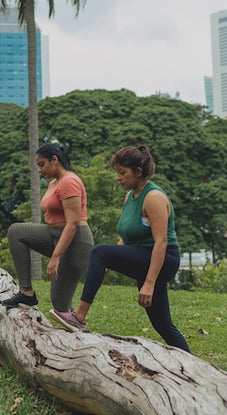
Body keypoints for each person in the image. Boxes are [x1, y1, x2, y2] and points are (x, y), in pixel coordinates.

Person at [49, 145, 191, 352]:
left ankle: (78, 317)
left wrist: (149, 283)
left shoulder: (154, 198)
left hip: (164, 260)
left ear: (138, 172)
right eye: (117, 173)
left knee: (98, 251)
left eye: (123, 173)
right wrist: (108, 262)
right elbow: (127, 238)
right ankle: (190, 363)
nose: (118, 178)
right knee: (162, 324)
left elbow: (161, 242)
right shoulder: (130, 196)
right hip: (146, 258)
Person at [1, 143, 94, 313]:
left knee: (60, 303)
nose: (39, 170)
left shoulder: (70, 182)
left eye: (41, 164)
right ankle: (26, 293)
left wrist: (55, 257)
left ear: (54, 160)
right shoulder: (54, 183)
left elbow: (72, 224)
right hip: (53, 234)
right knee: (16, 232)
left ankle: (81, 330)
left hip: (76, 243)